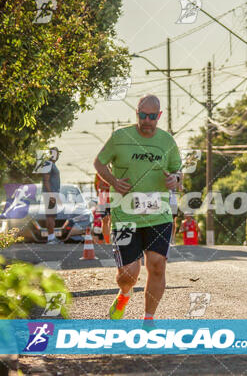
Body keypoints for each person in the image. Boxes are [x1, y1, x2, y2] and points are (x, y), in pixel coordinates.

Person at [93, 94, 182, 328]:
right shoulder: (120, 137)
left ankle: (148, 320)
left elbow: (178, 173)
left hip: (158, 216)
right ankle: (124, 294)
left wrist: (175, 179)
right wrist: (113, 180)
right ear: (137, 113)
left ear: (159, 116)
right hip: (125, 218)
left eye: (152, 116)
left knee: (157, 265)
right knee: (128, 274)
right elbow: (99, 163)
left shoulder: (167, 142)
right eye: (143, 115)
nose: (147, 120)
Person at [42, 147, 61, 245]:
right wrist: (51, 195)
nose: (57, 155)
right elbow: (46, 180)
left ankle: (51, 238)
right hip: (50, 194)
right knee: (50, 216)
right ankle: (50, 239)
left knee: (51, 216)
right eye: (54, 153)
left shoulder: (52, 164)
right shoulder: (48, 164)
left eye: (57, 153)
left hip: (52, 194)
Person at [95, 172, 111, 243]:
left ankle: (109, 240)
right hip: (104, 200)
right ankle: (107, 241)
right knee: (105, 221)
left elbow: (98, 187)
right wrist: (112, 187)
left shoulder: (115, 170)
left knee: (108, 221)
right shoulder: (100, 172)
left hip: (109, 199)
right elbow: (100, 186)